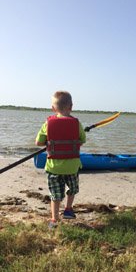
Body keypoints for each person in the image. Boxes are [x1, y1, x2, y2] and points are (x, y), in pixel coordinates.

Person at [35, 91, 86, 228]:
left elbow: (38, 143)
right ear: (71, 106)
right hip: (72, 167)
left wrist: (48, 142)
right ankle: (68, 209)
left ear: (53, 108)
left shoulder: (48, 123)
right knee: (72, 189)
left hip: (54, 167)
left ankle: (54, 219)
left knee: (55, 195)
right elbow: (82, 140)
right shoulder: (77, 123)